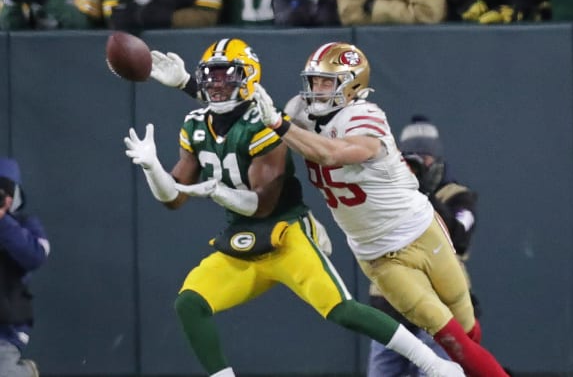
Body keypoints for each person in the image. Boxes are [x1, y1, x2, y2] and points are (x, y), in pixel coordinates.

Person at [124, 37, 465, 377]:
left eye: (226, 77)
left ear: (248, 79)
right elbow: (173, 198)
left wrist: (220, 192)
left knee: (342, 310)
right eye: (210, 77)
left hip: (285, 234)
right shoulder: (196, 124)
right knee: (189, 302)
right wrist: (153, 167)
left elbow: (260, 203)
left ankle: (432, 363)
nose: (215, 86)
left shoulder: (267, 124)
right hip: (238, 240)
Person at [252, 41, 508, 377]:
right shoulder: (298, 111)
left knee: (468, 327)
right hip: (378, 256)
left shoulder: (364, 115)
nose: (317, 90)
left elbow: (332, 154)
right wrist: (189, 85)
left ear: (353, 84)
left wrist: (281, 126)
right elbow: (238, 109)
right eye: (314, 81)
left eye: (328, 82)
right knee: (450, 338)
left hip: (420, 231)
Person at [365, 115, 481, 377]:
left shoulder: (457, 196)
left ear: (437, 160)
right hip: (391, 304)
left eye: (424, 158)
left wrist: (424, 196)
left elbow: (459, 238)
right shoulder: (387, 195)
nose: (419, 165)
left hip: (440, 305)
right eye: (411, 158)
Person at [0, 158, 50, 377]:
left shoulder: (25, 225)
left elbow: (35, 256)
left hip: (6, 327)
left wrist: (3, 222)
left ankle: (25, 373)